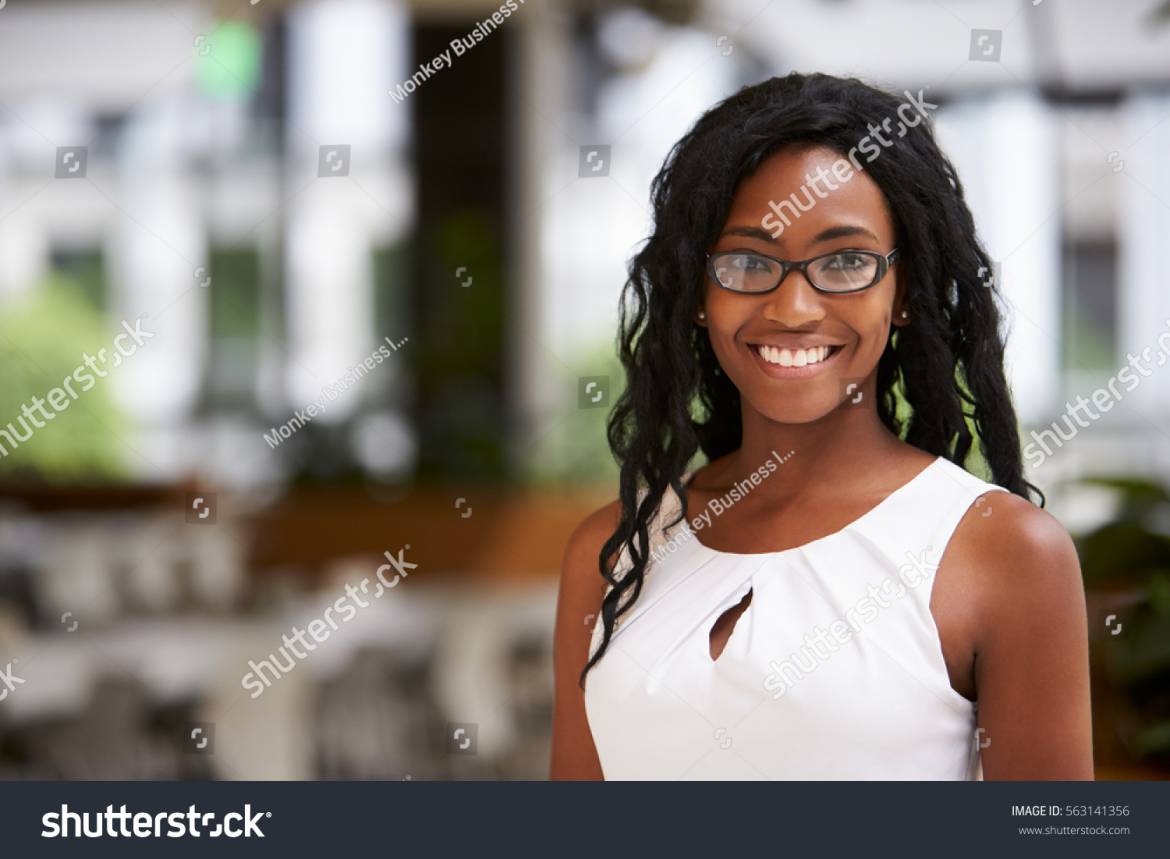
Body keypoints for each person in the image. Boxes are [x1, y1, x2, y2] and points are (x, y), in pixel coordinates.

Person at [551, 72, 1093, 780]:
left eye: (845, 261)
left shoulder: (1004, 552)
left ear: (904, 292)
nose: (795, 307)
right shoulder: (613, 551)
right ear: (695, 293)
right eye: (748, 261)